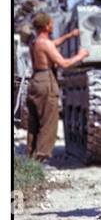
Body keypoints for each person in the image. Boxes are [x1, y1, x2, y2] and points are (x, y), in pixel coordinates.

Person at [25, 12, 88, 163]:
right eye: (51, 23)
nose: (52, 26)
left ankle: (31, 158)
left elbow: (52, 44)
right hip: (46, 82)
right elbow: (64, 64)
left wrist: (69, 35)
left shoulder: (35, 42)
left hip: (35, 80)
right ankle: (41, 158)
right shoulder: (45, 44)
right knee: (49, 121)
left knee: (34, 122)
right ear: (46, 26)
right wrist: (81, 55)